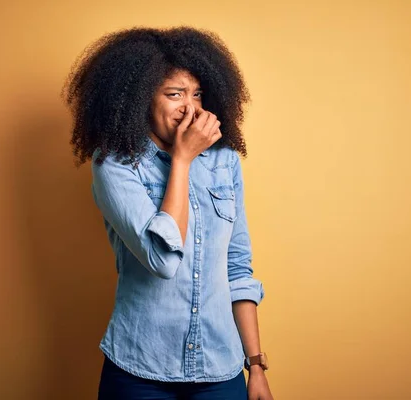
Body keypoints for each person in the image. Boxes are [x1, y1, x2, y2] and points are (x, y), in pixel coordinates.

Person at [62, 26, 273, 400]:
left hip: (220, 367)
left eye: (197, 94)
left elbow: (237, 266)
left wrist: (255, 365)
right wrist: (182, 159)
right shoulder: (115, 164)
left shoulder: (224, 162)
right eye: (174, 94)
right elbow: (161, 259)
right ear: (141, 98)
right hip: (140, 368)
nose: (189, 108)